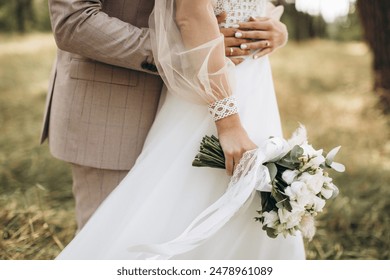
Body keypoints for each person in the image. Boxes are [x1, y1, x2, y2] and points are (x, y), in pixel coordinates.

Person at [56, 0, 305, 260]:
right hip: (120, 101)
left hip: (247, 92)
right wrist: (187, 53)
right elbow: (73, 21)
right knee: (121, 242)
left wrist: (275, 29)